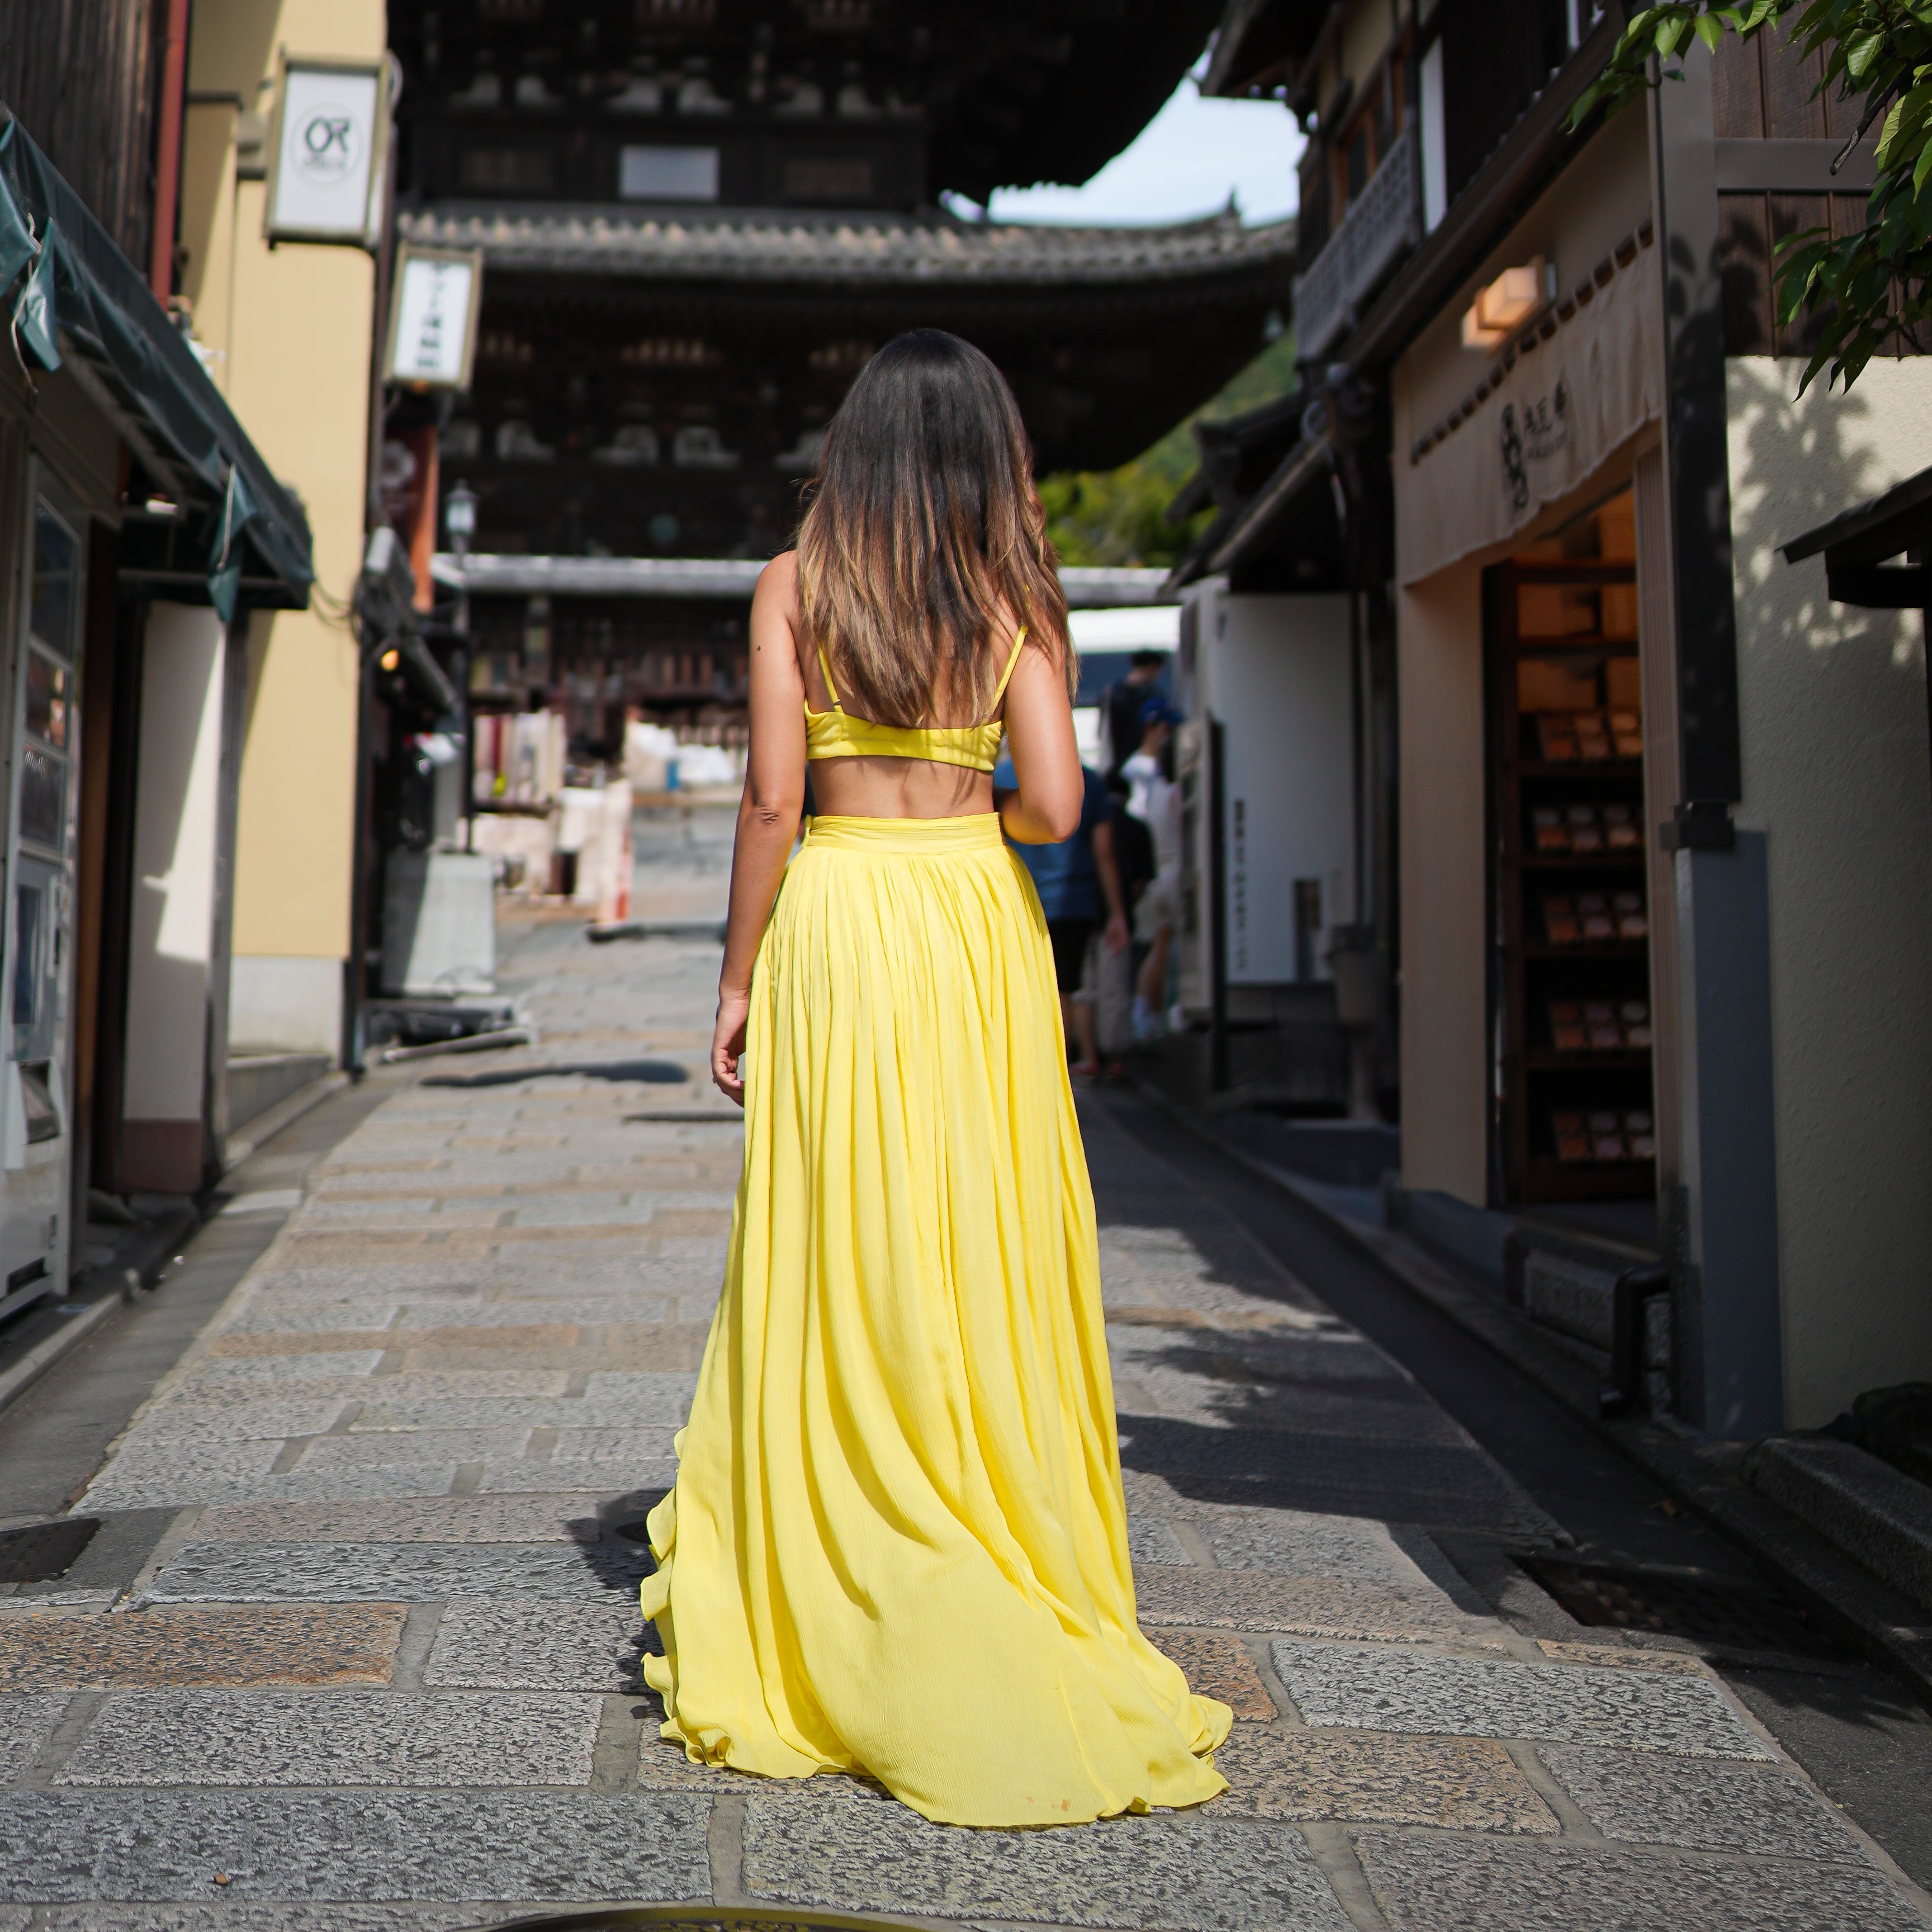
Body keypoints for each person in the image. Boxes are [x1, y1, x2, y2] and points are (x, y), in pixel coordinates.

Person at [640, 330, 1231, 1828]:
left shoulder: (794, 584)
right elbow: (1055, 799)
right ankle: (996, 1531)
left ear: (855, 444)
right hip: (971, 922)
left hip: (837, 917)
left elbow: (774, 798)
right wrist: (959, 809)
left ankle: (845, 1559)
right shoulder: (1017, 596)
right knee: (983, 1235)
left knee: (841, 1244)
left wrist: (734, 977)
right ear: (986, 452)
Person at [991, 750, 1129, 1077]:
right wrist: (1117, 913)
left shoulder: (998, 777)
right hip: (1073, 901)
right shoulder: (1088, 781)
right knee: (1066, 986)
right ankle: (1060, 1072)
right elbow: (1105, 852)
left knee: (1020, 986)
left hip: (1015, 896)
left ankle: (1032, 1070)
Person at [1121, 698, 1183, 1041]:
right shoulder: (1169, 789)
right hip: (1172, 874)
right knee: (1167, 948)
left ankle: (1147, 1011)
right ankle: (1153, 1013)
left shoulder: (1156, 788)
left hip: (1159, 874)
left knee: (1157, 947)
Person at [1098, 647, 1168, 780]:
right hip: (1143, 769)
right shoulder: (1153, 696)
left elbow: (1102, 731)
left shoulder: (1111, 693)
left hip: (1114, 771)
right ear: (1152, 667)